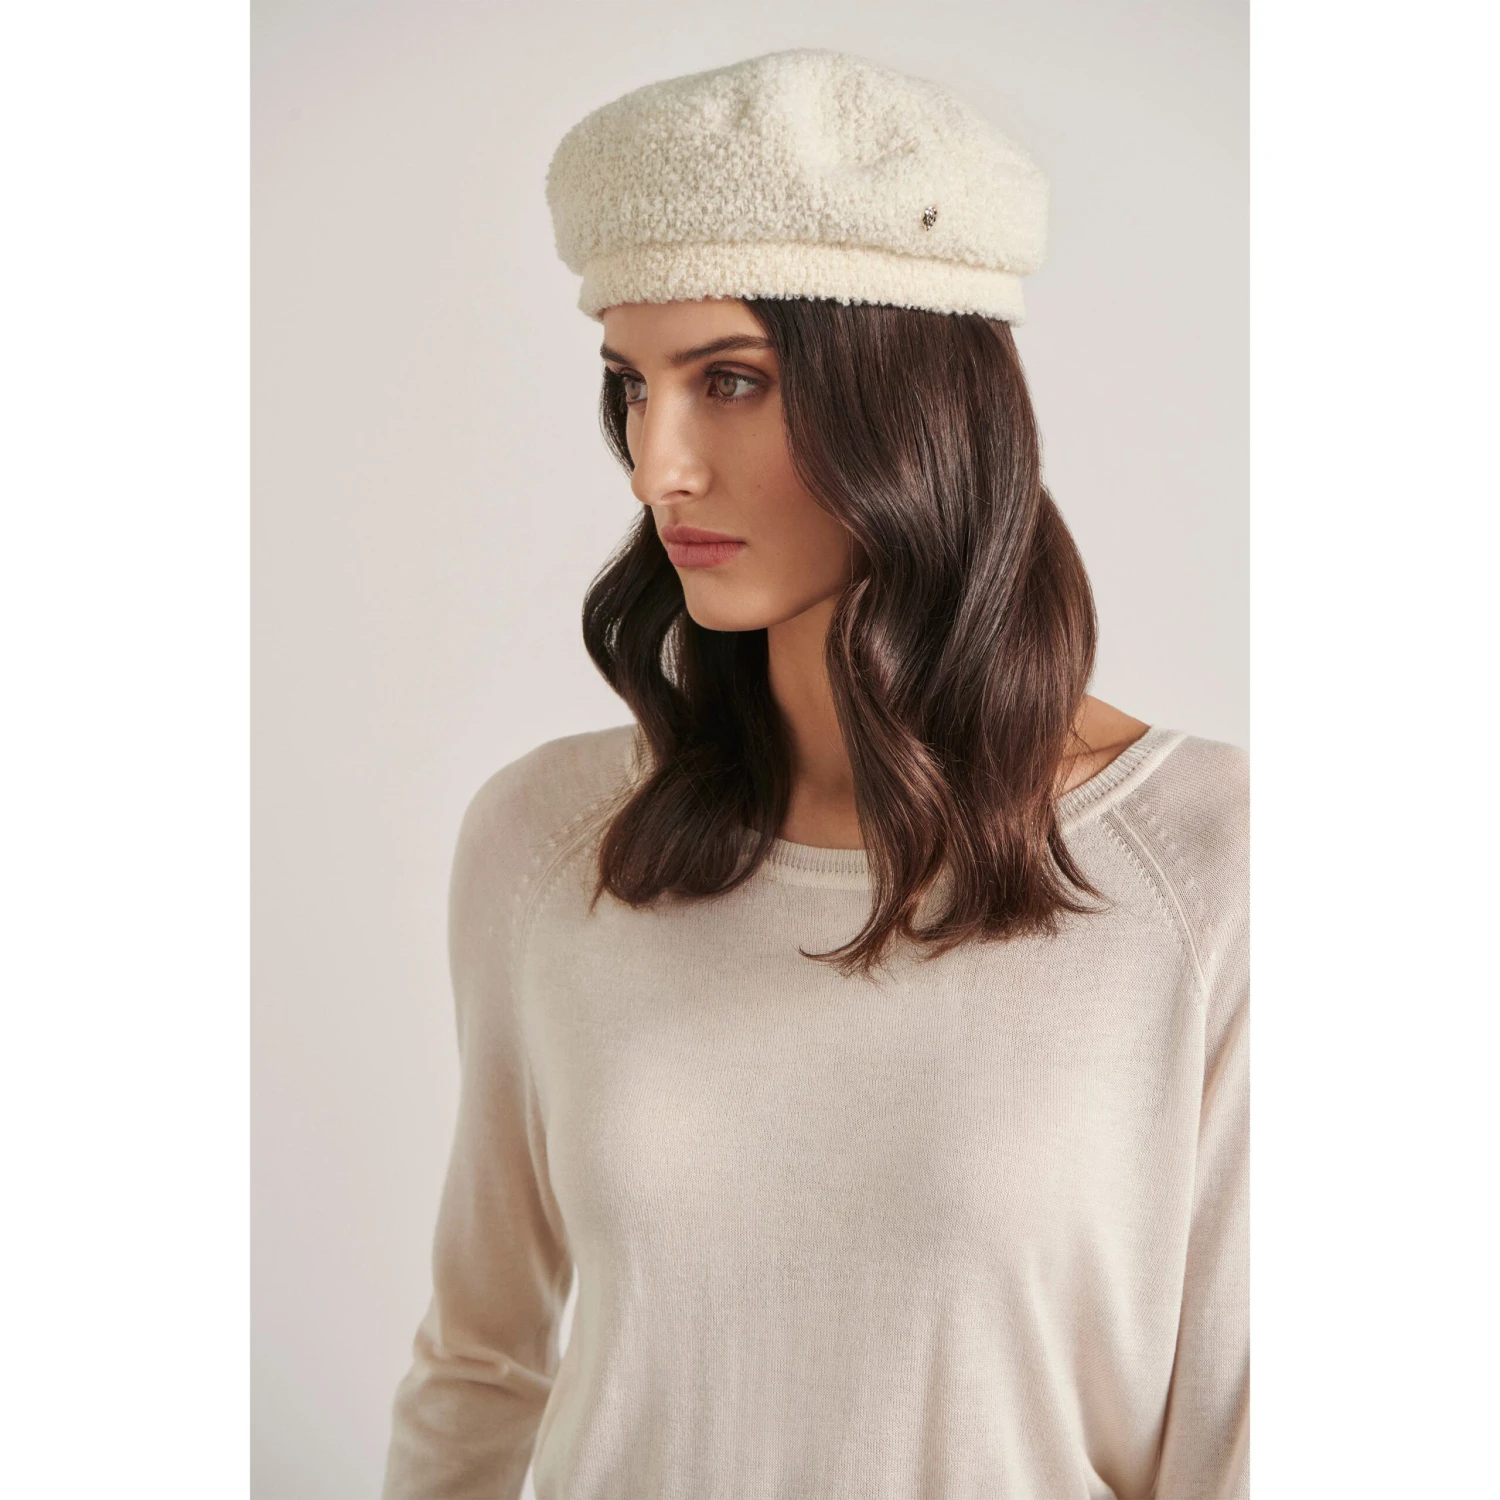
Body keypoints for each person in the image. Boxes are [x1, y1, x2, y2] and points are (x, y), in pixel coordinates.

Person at [380, 47, 1248, 1500]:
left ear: (915, 400)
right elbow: (479, 1369)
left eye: (731, 381)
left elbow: (1243, 1436)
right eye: (631, 386)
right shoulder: (548, 840)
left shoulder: (1211, 869)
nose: (657, 466)